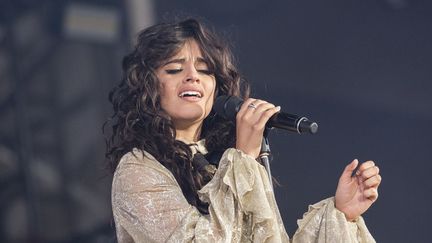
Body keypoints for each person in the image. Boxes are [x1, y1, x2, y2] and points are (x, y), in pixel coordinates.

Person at [105, 18, 382, 243]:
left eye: (205, 70)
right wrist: (244, 159)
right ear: (148, 87)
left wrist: (341, 214)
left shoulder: (224, 163)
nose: (193, 76)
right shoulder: (138, 169)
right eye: (175, 69)